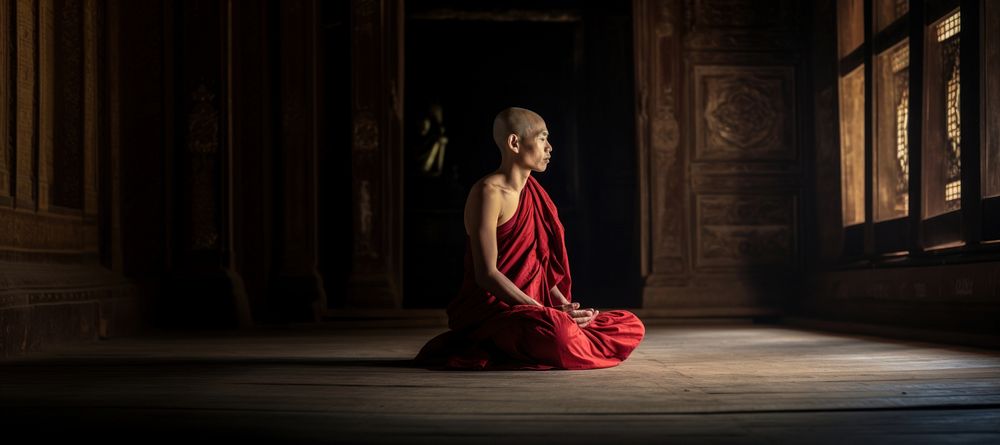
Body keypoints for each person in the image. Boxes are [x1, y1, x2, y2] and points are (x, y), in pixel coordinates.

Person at [416, 107, 645, 370]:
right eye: (542, 138)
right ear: (514, 143)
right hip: (499, 314)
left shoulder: (535, 194)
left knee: (629, 324)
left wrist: (564, 306)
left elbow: (541, 267)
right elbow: (486, 274)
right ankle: (518, 343)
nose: (550, 147)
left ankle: (546, 340)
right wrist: (542, 311)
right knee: (559, 335)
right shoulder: (488, 193)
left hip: (537, 313)